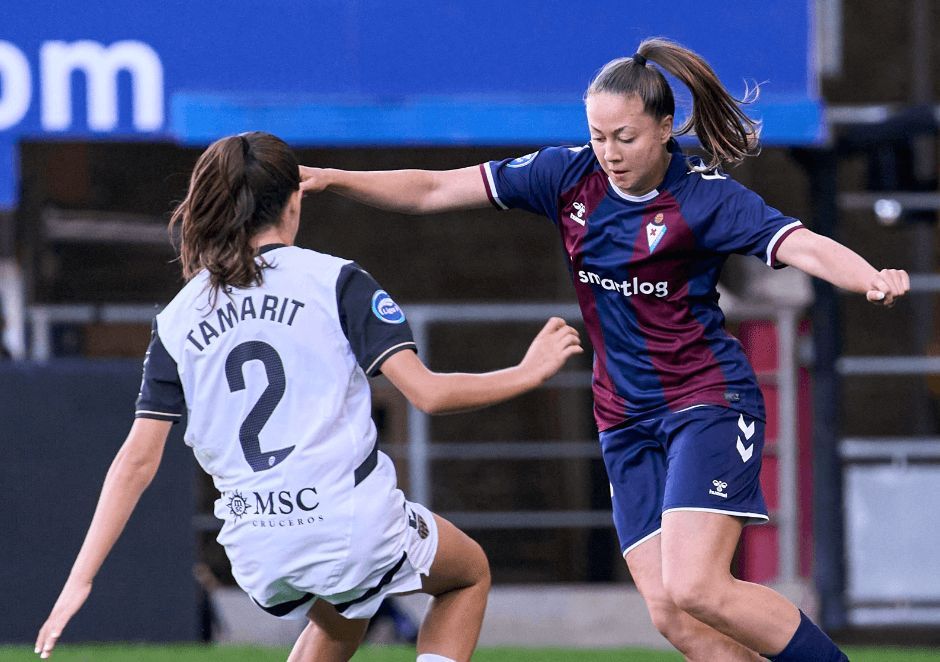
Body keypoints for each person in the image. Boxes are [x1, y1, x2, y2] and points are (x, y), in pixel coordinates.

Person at [295, 37, 910, 662]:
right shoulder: (566, 177)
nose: (609, 153)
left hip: (708, 402)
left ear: (666, 129)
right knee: (673, 615)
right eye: (598, 136)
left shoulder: (706, 197)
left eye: (626, 137)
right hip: (623, 418)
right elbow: (432, 189)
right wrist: (335, 178)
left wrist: (869, 276)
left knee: (699, 586)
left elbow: (800, 244)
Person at [34, 132, 583, 662]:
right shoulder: (336, 281)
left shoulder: (177, 318)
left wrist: (79, 580)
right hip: (350, 524)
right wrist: (527, 371)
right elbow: (429, 394)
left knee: (347, 609)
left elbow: (136, 460)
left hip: (255, 548)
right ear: (293, 202)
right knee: (468, 574)